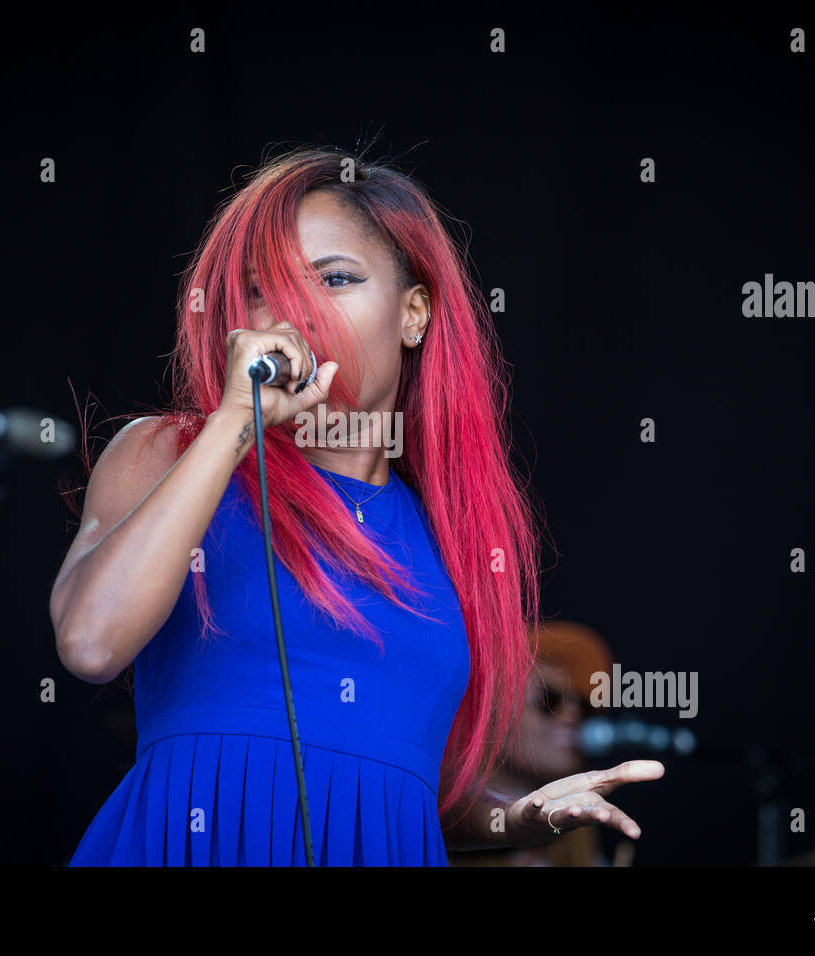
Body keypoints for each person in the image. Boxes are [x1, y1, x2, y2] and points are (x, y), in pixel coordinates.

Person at [49, 146, 663, 865]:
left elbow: (401, 795)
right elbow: (91, 643)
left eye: (335, 278)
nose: (296, 312)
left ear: (413, 314)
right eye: (261, 290)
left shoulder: (449, 535)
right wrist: (232, 426)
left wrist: (515, 818)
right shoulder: (170, 453)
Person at [449, 620, 631, 866]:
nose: (572, 716)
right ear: (488, 707)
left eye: (586, 709)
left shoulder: (582, 843)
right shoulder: (433, 818)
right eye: (549, 699)